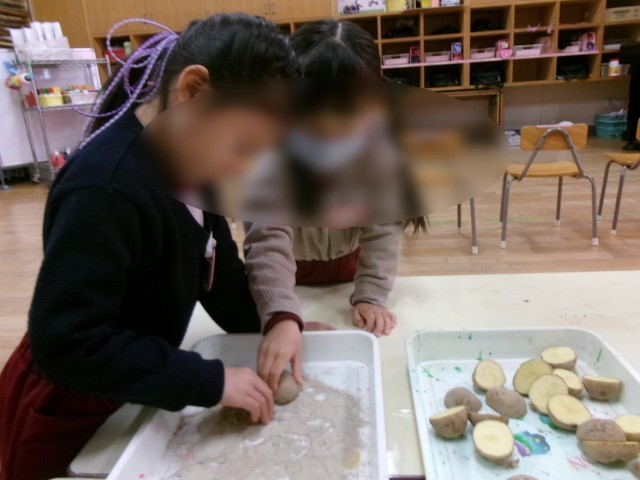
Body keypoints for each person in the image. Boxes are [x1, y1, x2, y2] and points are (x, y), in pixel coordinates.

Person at [0, 14, 302, 480]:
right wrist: (209, 380)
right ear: (194, 92)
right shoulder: (105, 189)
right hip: (73, 404)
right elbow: (67, 340)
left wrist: (274, 321)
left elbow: (217, 276)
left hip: (139, 384)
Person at [243, 20, 426, 346]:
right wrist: (281, 311)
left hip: (348, 270)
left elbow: (383, 230)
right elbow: (267, 239)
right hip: (283, 271)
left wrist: (371, 295)